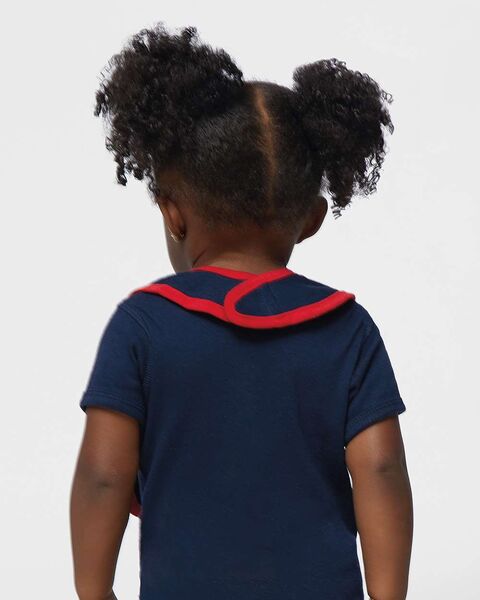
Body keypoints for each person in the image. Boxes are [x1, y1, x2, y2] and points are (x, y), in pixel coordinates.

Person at [70, 22, 413, 600]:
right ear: (311, 219)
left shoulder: (142, 326)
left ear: (174, 214)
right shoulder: (348, 328)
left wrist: (94, 594)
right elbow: (381, 470)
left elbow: (103, 476)